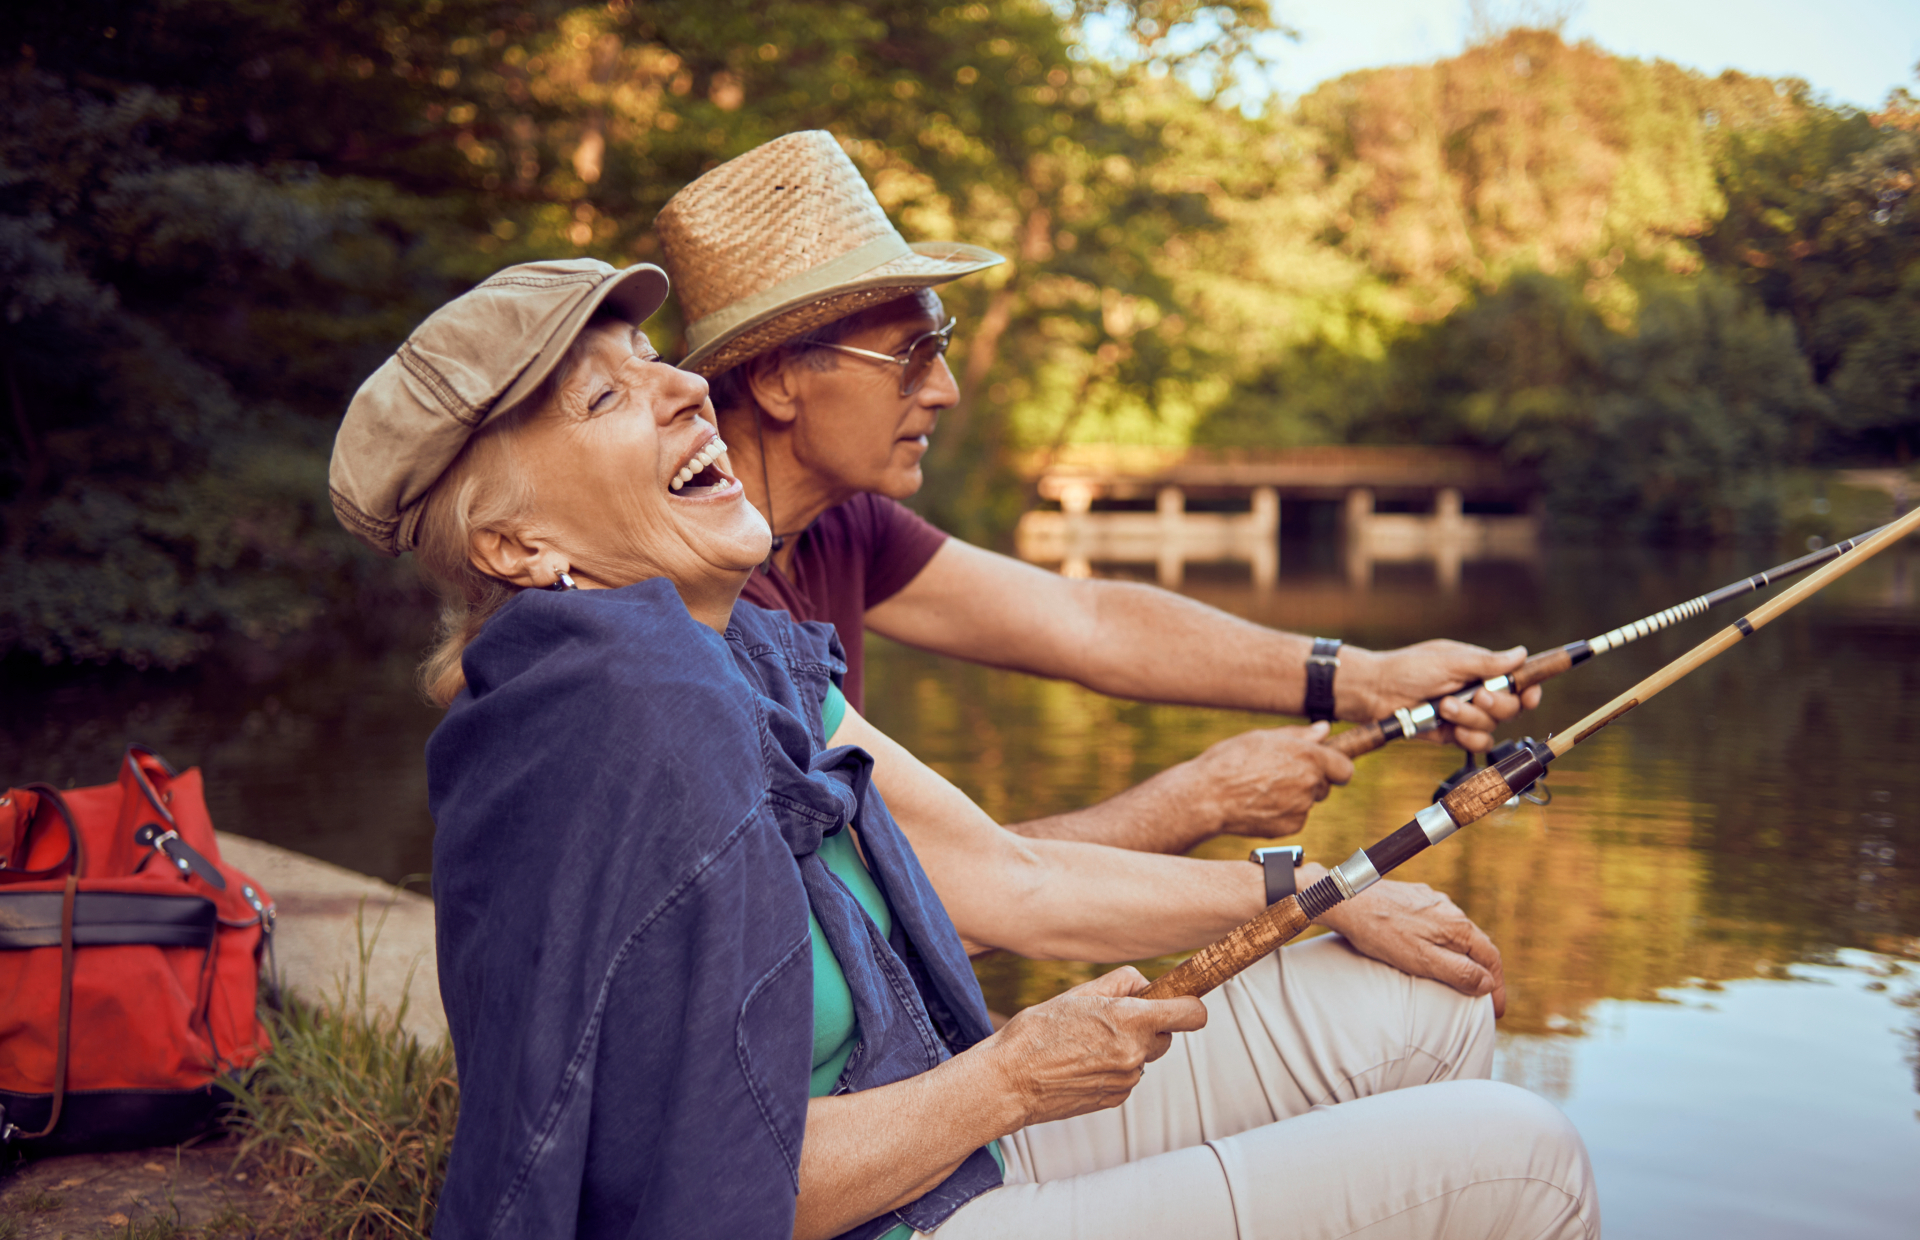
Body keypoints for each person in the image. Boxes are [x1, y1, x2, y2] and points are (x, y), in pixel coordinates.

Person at [327, 259, 1598, 1239]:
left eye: (660, 362)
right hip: (882, 1193)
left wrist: (1327, 885)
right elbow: (705, 1198)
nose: (682, 388)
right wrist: (1008, 1078)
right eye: (608, 396)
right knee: (1523, 1154)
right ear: (514, 548)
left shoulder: (737, 648)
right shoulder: (623, 717)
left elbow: (1004, 868)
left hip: (926, 1145)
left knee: (1418, 1002)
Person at [654, 131, 1544, 854]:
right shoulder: (703, 604)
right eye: (911, 356)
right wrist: (1199, 801)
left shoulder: (842, 525)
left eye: (945, 345)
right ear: (777, 382)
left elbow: (1087, 623)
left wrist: (1367, 679)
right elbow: (931, 888)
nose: (945, 389)